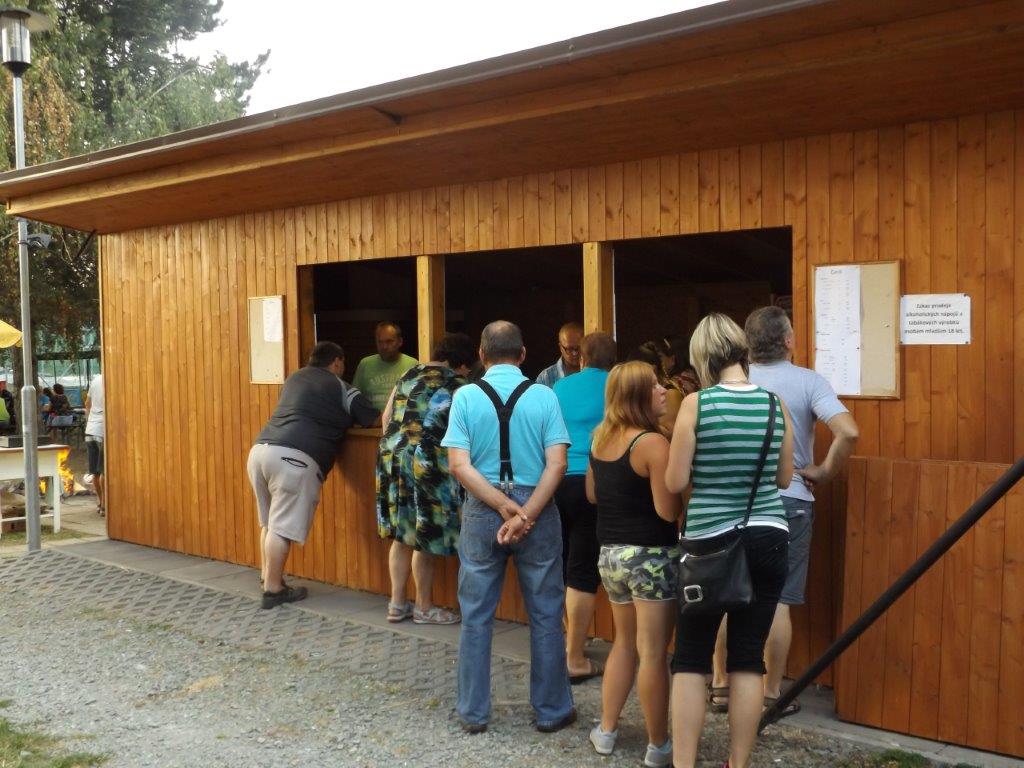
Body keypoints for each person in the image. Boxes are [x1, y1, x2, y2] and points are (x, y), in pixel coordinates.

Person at [665, 313, 794, 768]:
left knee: (691, 657)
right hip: (770, 536)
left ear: (702, 357)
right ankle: (737, 763)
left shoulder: (696, 405)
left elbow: (675, 479)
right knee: (747, 657)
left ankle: (684, 763)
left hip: (710, 543)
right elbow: (783, 478)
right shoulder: (775, 405)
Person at [442, 320, 576, 734]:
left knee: (476, 615)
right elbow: (558, 463)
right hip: (538, 508)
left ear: (481, 355)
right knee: (546, 613)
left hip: (483, 510)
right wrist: (526, 513)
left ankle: (473, 712)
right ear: (523, 354)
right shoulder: (544, 395)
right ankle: (552, 710)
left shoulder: (466, 396)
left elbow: (458, 465)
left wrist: (501, 505)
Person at [732, 306, 858, 712]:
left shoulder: (733, 380)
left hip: (735, 500)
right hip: (791, 498)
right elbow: (848, 432)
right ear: (788, 341)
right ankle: (771, 693)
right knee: (778, 599)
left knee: (728, 592)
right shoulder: (808, 381)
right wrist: (823, 471)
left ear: (748, 344)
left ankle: (720, 685)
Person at [585, 361, 682, 767]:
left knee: (623, 644)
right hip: (652, 559)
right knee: (654, 653)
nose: (662, 390)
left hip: (610, 556)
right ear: (638, 396)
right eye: (654, 385)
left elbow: (592, 495)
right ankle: (658, 745)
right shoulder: (652, 444)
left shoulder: (599, 438)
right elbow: (667, 511)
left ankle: (607, 730)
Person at [249, 341, 378, 609]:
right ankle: (273, 590)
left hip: (261, 451)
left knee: (270, 523)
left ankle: (267, 578)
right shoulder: (341, 387)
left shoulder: (294, 379)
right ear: (337, 362)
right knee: (281, 528)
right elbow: (373, 419)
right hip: (294, 458)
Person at [377, 332, 476, 626]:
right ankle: (424, 607)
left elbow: (385, 418)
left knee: (402, 533)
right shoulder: (458, 385)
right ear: (462, 364)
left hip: (392, 459)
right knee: (424, 536)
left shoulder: (407, 375)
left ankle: (397, 603)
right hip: (427, 464)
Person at [552, 331, 616, 683]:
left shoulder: (560, 387)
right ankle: (574, 656)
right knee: (583, 571)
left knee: (563, 564)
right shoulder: (616, 386)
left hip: (557, 479)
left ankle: (569, 641)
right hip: (595, 483)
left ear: (582, 358)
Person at [352, 321, 419, 411]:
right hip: (372, 419)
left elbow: (419, 400)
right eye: (380, 342)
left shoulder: (412, 364)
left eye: (389, 341)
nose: (384, 346)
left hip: (402, 418)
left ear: (400, 342)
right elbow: (355, 399)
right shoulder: (365, 364)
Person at [627, 342, 683, 435]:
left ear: (653, 369)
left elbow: (671, 433)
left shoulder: (669, 393)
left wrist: (637, 422)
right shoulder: (636, 393)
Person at [536, 321, 583, 388]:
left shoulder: (594, 374)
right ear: (560, 347)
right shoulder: (545, 378)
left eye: (578, 348)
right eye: (569, 349)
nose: (574, 353)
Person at [84, 373, 106, 516]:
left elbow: (87, 404)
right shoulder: (111, 379)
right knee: (104, 470)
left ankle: (99, 501)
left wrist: (88, 421)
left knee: (95, 471)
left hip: (90, 430)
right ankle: (104, 505)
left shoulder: (95, 380)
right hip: (102, 430)